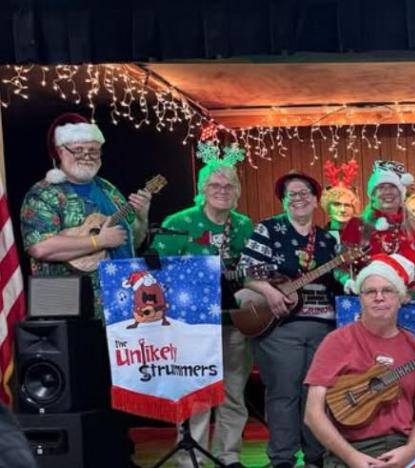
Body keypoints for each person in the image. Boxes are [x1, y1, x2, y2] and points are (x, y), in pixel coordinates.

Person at [153, 149, 254, 468]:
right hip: (191, 326)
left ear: (237, 192)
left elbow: (252, 271)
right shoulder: (178, 222)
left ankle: (229, 456)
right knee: (197, 393)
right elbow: (158, 275)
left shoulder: (243, 225)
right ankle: (191, 458)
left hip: (233, 322)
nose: (223, 191)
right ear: (202, 190)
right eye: (215, 186)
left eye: (229, 186)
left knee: (234, 392)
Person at [236, 172, 342, 468]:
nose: (299, 198)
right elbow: (247, 271)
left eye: (305, 192)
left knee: (316, 395)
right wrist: (270, 293)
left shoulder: (326, 240)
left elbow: (337, 280)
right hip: (279, 324)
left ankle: (315, 457)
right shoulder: (268, 229)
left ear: (316, 200)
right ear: (283, 201)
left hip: (323, 327)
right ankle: (282, 459)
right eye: (291, 194)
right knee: (283, 393)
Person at [303, 252, 415, 468]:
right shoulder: (336, 342)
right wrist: (352, 457)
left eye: (387, 290)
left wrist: (408, 453)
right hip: (351, 449)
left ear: (401, 298)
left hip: (404, 448)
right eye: (370, 292)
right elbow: (313, 413)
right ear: (360, 299)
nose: (379, 297)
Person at [20, 113, 151, 312]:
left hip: (123, 298)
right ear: (60, 151)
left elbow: (134, 241)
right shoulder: (43, 194)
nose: (87, 156)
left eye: (93, 150)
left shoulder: (108, 189)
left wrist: (142, 216)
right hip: (66, 303)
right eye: (78, 150)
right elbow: (39, 247)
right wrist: (99, 241)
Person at [340, 161, 415, 285]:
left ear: (401, 193)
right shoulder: (356, 225)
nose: (387, 192)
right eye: (381, 187)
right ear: (372, 195)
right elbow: (341, 266)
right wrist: (349, 282)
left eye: (392, 187)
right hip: (370, 298)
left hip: (412, 300)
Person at [320, 159, 361, 242]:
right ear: (328, 207)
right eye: (336, 204)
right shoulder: (318, 238)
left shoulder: (363, 237)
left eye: (347, 205)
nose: (343, 210)